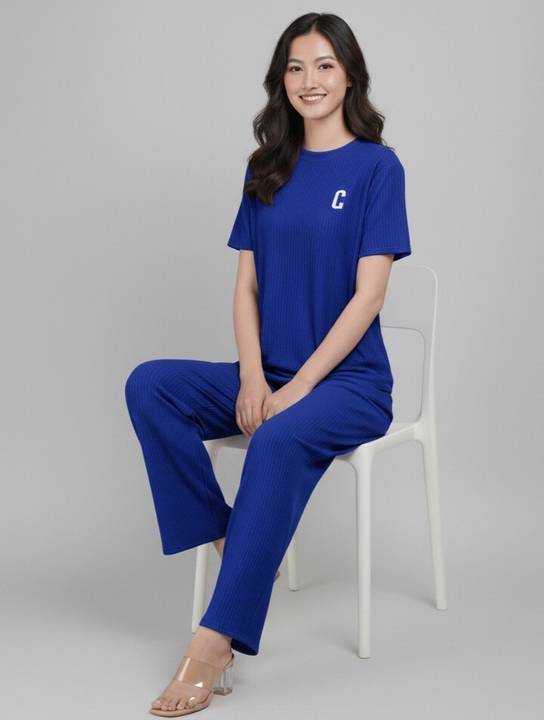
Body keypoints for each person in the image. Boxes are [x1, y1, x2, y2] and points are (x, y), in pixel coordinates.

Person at [124, 11, 412, 717]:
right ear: (281, 80)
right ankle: (236, 541)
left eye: (324, 66)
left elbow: (370, 296)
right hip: (271, 372)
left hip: (350, 385)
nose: (309, 80)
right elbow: (246, 287)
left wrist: (301, 386)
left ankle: (213, 643)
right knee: (151, 386)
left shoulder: (378, 168)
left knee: (277, 435)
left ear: (350, 76)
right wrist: (254, 378)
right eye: (295, 67)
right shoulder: (266, 168)